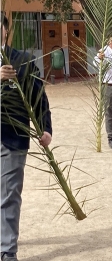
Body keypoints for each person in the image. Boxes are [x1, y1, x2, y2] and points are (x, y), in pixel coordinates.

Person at [1, 15, 53, 261]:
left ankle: (7, 250)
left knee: (10, 193)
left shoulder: (22, 60)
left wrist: (45, 128)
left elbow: (38, 96)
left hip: (13, 138)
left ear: (5, 29)